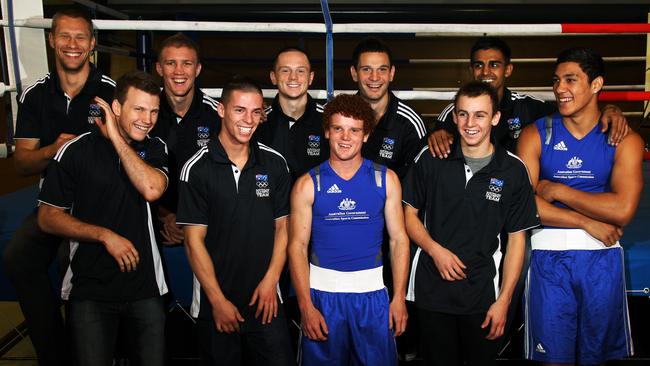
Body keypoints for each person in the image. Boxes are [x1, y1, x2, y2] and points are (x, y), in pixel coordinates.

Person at [2, 8, 115, 365]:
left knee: (90, 274)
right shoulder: (35, 95)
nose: (72, 44)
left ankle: (104, 351)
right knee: (18, 257)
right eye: (64, 36)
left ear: (93, 44)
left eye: (81, 37)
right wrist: (55, 150)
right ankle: (54, 353)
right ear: (52, 40)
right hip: (52, 205)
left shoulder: (111, 93)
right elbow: (22, 162)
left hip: (99, 206)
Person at [517, 47, 643, 365]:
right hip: (548, 261)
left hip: (603, 261)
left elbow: (623, 209)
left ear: (597, 84)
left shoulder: (624, 139)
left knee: (597, 360)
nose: (560, 88)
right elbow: (522, 205)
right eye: (557, 80)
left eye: (571, 80)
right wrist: (587, 221)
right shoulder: (535, 135)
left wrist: (557, 189)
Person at [402, 81, 540, 366]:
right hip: (432, 291)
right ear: (454, 117)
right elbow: (408, 214)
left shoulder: (513, 170)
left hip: (481, 294)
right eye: (463, 114)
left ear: (495, 118)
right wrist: (434, 250)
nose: (470, 123)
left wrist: (503, 302)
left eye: (479, 114)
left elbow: (517, 240)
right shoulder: (431, 158)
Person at [37, 70, 168, 366]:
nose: (147, 119)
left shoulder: (155, 147)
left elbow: (151, 189)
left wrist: (117, 140)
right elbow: (47, 218)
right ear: (117, 108)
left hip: (144, 287)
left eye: (154, 111)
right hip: (89, 288)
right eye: (139, 109)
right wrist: (104, 235)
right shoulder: (75, 152)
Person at [177, 76, 293, 366]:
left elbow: (283, 228)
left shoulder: (274, 163)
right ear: (221, 110)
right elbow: (193, 243)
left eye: (256, 112)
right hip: (217, 303)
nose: (248, 119)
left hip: (265, 299)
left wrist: (271, 281)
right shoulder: (196, 168)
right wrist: (217, 300)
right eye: (239, 110)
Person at [288, 94, 409, 365]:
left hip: (373, 298)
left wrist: (399, 297)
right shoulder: (307, 184)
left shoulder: (386, 179)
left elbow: (399, 240)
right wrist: (306, 306)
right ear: (327, 133)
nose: (346, 137)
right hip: (322, 299)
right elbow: (296, 245)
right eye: (338, 129)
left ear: (366, 135)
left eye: (354, 130)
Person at [428, 36, 629, 158]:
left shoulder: (528, 106)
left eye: (494, 65)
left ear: (508, 70)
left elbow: (573, 109)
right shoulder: (454, 111)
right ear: (471, 69)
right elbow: (440, 137)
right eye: (479, 65)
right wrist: (436, 135)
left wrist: (611, 110)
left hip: (517, 189)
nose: (485, 72)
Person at [150, 32, 221, 245]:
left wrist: (191, 220)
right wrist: (166, 216)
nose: (179, 71)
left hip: (207, 226)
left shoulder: (218, 116)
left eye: (186, 63)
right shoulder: (145, 113)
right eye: (171, 63)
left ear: (197, 69)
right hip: (154, 227)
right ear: (159, 68)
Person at [351, 37, 427, 178]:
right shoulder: (340, 116)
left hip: (392, 199)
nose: (375, 77)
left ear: (391, 73)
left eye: (382, 69)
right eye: (366, 69)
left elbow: (419, 182)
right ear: (354, 73)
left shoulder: (409, 122)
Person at [255, 46, 328, 182]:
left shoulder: (329, 120)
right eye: (285, 70)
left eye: (300, 71)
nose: (293, 77)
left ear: (310, 77)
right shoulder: (257, 122)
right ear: (273, 77)